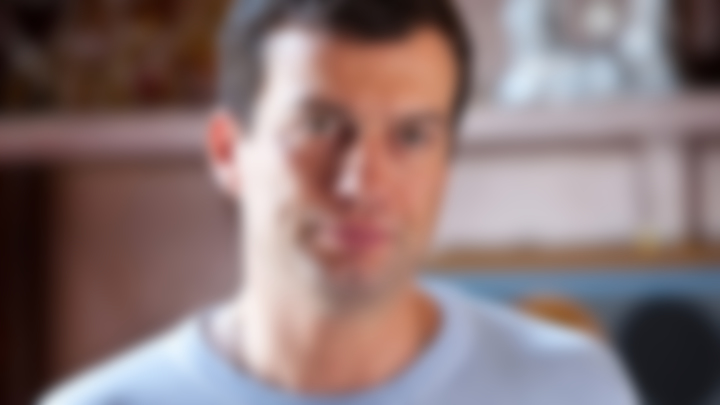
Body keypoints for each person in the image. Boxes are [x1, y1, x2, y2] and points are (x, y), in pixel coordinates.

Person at [41, 0, 638, 404]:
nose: (362, 184)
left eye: (411, 136)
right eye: (320, 126)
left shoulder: (569, 390)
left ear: (447, 161)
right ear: (228, 151)